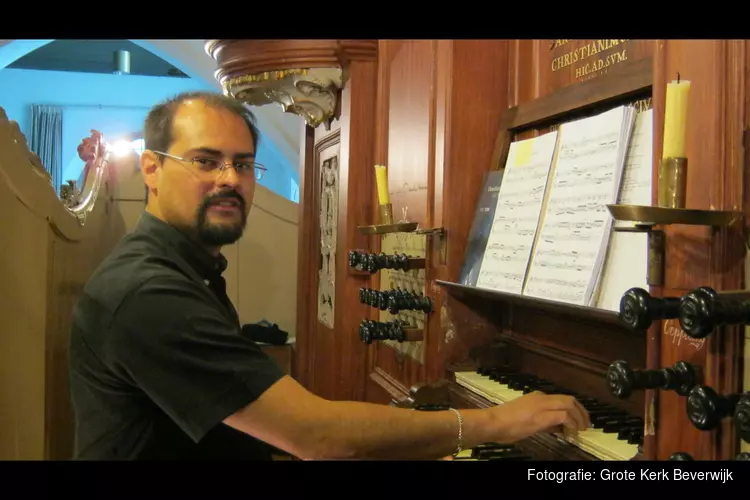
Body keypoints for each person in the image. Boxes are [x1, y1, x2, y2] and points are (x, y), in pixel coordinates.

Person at [68, 91, 590, 461]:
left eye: (243, 165)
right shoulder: (148, 294)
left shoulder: (185, 268)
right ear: (151, 169)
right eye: (206, 161)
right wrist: (494, 423)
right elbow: (317, 436)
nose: (230, 179)